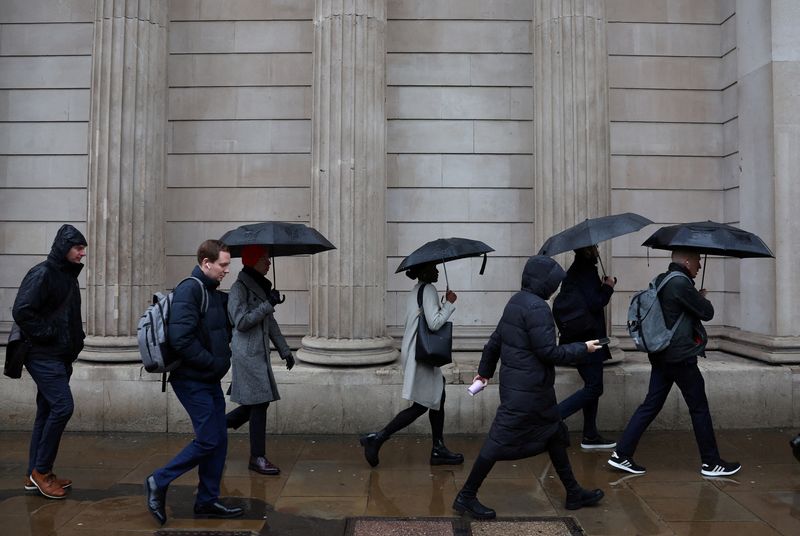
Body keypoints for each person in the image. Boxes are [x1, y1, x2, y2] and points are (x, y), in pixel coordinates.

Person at [453, 255, 604, 519]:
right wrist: (584, 348)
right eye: (553, 283)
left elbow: (494, 342)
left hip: (528, 389)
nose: (556, 288)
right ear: (543, 283)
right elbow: (549, 352)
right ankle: (466, 496)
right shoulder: (537, 308)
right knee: (497, 442)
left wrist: (484, 373)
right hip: (527, 393)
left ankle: (573, 492)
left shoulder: (516, 302)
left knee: (555, 433)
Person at [608, 249, 741, 477]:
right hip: (680, 357)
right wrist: (701, 298)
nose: (699, 265)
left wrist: (694, 296)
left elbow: (675, 311)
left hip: (662, 354)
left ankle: (621, 454)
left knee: (651, 404)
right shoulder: (680, 283)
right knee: (699, 408)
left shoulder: (663, 279)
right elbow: (707, 313)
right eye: (697, 260)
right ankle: (711, 462)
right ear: (687, 261)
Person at [145, 240, 243, 526]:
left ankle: (207, 501)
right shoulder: (191, 289)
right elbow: (181, 339)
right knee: (209, 439)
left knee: (219, 439)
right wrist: (213, 363)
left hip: (207, 379)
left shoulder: (212, 292)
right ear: (206, 263)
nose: (227, 270)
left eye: (228, 264)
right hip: (191, 380)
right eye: (223, 265)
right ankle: (158, 480)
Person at [359, 262, 463, 467]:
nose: (437, 271)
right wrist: (449, 304)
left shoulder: (417, 290)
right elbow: (434, 323)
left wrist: (442, 304)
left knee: (438, 394)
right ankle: (378, 438)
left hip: (416, 352)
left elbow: (424, 318)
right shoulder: (429, 289)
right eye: (433, 268)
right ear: (424, 271)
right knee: (421, 405)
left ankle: (438, 447)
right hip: (422, 355)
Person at [12, 224, 87, 500]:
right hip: (43, 355)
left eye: (82, 249)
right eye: (78, 248)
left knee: (46, 411)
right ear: (64, 248)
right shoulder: (43, 273)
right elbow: (22, 310)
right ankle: (41, 472)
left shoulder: (67, 275)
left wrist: (76, 340)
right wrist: (50, 334)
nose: (82, 253)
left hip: (60, 355)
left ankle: (35, 472)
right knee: (62, 406)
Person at [225, 245, 295, 475]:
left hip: (258, 353)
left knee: (256, 403)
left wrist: (285, 350)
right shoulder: (239, 288)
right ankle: (257, 457)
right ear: (253, 260)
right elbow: (241, 322)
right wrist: (268, 305)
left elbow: (270, 323)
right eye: (264, 259)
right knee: (259, 403)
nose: (269, 263)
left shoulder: (261, 287)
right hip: (246, 354)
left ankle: (219, 426)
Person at [553, 245, 617, 449]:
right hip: (588, 338)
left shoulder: (576, 270)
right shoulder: (586, 271)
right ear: (587, 251)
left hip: (579, 336)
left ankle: (590, 434)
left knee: (592, 384)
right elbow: (595, 302)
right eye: (595, 246)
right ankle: (553, 417)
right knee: (595, 387)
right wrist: (608, 287)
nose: (598, 249)